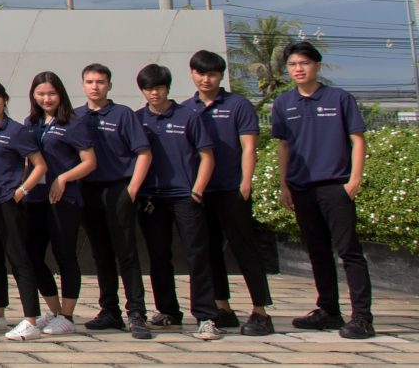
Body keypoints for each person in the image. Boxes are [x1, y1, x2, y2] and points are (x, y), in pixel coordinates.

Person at [271, 41, 375, 339]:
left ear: (317, 65)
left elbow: (357, 140)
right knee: (317, 252)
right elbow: (284, 146)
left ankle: (362, 317)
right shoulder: (283, 103)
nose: (298, 69)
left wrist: (353, 180)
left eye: (304, 63)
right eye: (292, 64)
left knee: (349, 252)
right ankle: (329, 310)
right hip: (302, 187)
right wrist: (284, 184)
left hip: (335, 186)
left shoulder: (339, 98)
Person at [182, 50, 275, 336]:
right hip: (200, 191)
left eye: (211, 74)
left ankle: (260, 311)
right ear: (192, 74)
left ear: (221, 75)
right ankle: (222, 307)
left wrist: (246, 181)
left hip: (231, 187)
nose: (205, 79)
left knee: (244, 247)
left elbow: (249, 146)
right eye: (200, 73)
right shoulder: (187, 108)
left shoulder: (237, 105)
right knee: (208, 251)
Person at [134, 63, 221, 339]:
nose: (154, 93)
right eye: (148, 89)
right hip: (152, 199)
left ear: (167, 88)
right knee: (159, 257)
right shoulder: (138, 119)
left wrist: (197, 190)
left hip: (185, 197)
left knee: (197, 255)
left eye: (158, 88)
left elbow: (207, 156)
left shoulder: (189, 116)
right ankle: (168, 311)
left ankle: (206, 316)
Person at [75, 64, 155, 339]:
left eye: (100, 81)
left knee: (126, 252)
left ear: (109, 85)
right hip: (88, 190)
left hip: (118, 187)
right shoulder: (76, 116)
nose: (94, 86)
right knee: (101, 254)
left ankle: (136, 312)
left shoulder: (123, 115)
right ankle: (109, 310)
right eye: (89, 81)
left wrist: (132, 187)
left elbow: (143, 152)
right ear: (83, 85)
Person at [0, 79, 51, 341]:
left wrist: (21, 190)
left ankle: (30, 319)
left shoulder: (16, 131)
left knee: (19, 259)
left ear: (4, 99)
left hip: (7, 201)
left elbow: (39, 165)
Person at [22, 72, 97, 337]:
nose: (46, 99)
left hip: (64, 199)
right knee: (32, 256)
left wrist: (64, 178)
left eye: (51, 94)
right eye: (41, 94)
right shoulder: (30, 123)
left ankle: (67, 315)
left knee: (65, 255)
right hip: (35, 198)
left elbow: (89, 161)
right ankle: (52, 311)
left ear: (61, 94)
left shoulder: (72, 123)